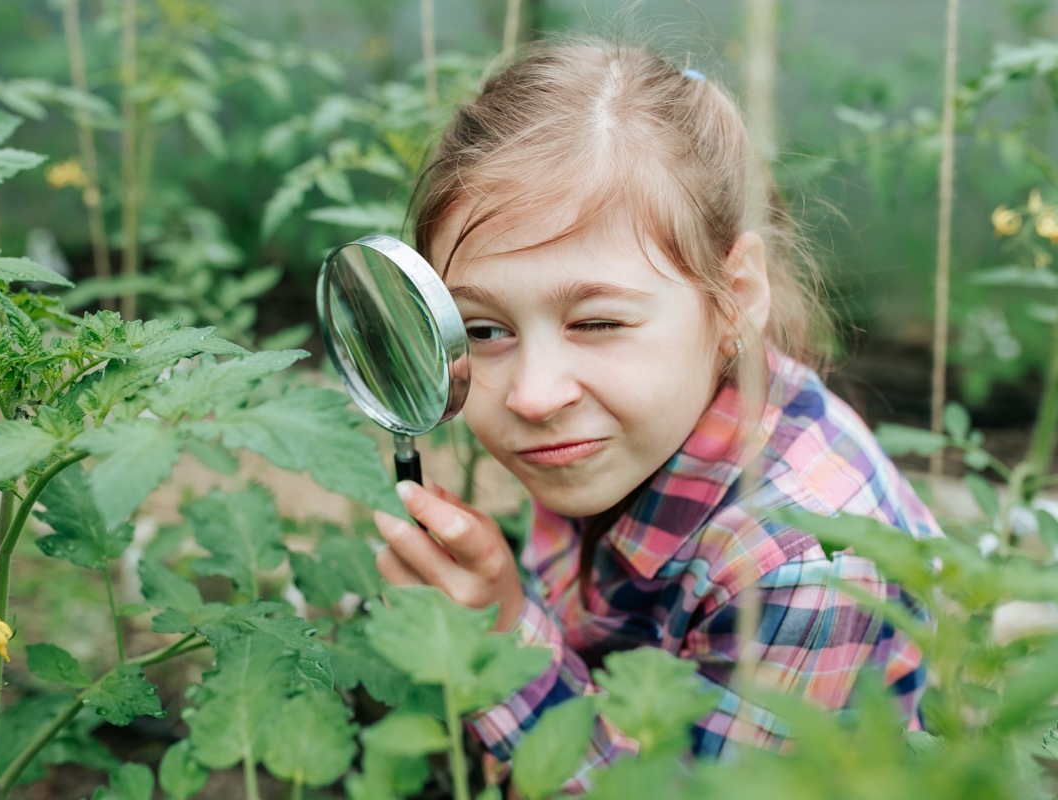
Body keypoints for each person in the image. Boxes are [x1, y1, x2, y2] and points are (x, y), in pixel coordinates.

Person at [370, 36, 941, 792]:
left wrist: (500, 642)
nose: (535, 396)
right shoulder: (612, 435)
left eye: (598, 324)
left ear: (735, 297)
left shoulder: (802, 567)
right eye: (482, 330)